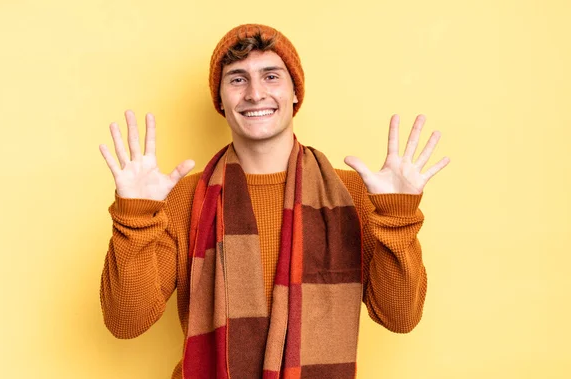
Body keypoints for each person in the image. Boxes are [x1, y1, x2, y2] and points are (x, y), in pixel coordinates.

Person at [99, 24, 450, 379]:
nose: (254, 93)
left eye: (270, 76)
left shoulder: (353, 195)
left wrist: (397, 215)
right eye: (237, 79)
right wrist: (136, 217)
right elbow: (125, 321)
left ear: (295, 93)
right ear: (219, 100)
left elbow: (400, 317)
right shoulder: (183, 200)